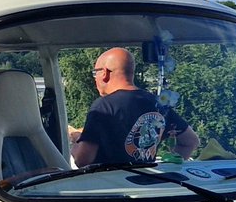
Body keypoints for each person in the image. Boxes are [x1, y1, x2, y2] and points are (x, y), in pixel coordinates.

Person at [71, 47, 199, 167]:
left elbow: (83, 160)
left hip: (112, 187)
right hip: (145, 186)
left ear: (104, 73)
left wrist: (76, 143)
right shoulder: (158, 104)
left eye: (95, 73)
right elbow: (190, 142)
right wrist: (165, 170)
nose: (95, 79)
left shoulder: (103, 106)